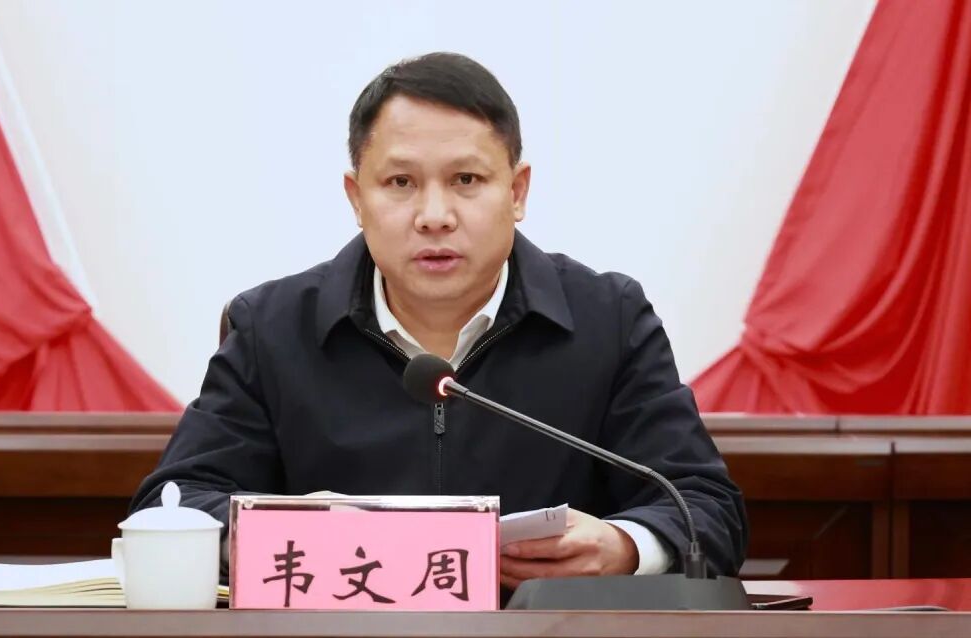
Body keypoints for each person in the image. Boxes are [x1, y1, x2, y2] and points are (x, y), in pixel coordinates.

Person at [129, 52, 746, 590]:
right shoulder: (273, 328)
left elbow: (706, 507)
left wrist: (627, 547)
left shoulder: (607, 319)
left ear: (517, 191)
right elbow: (172, 505)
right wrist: (284, 528)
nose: (434, 215)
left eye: (466, 180)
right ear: (356, 198)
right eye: (400, 182)